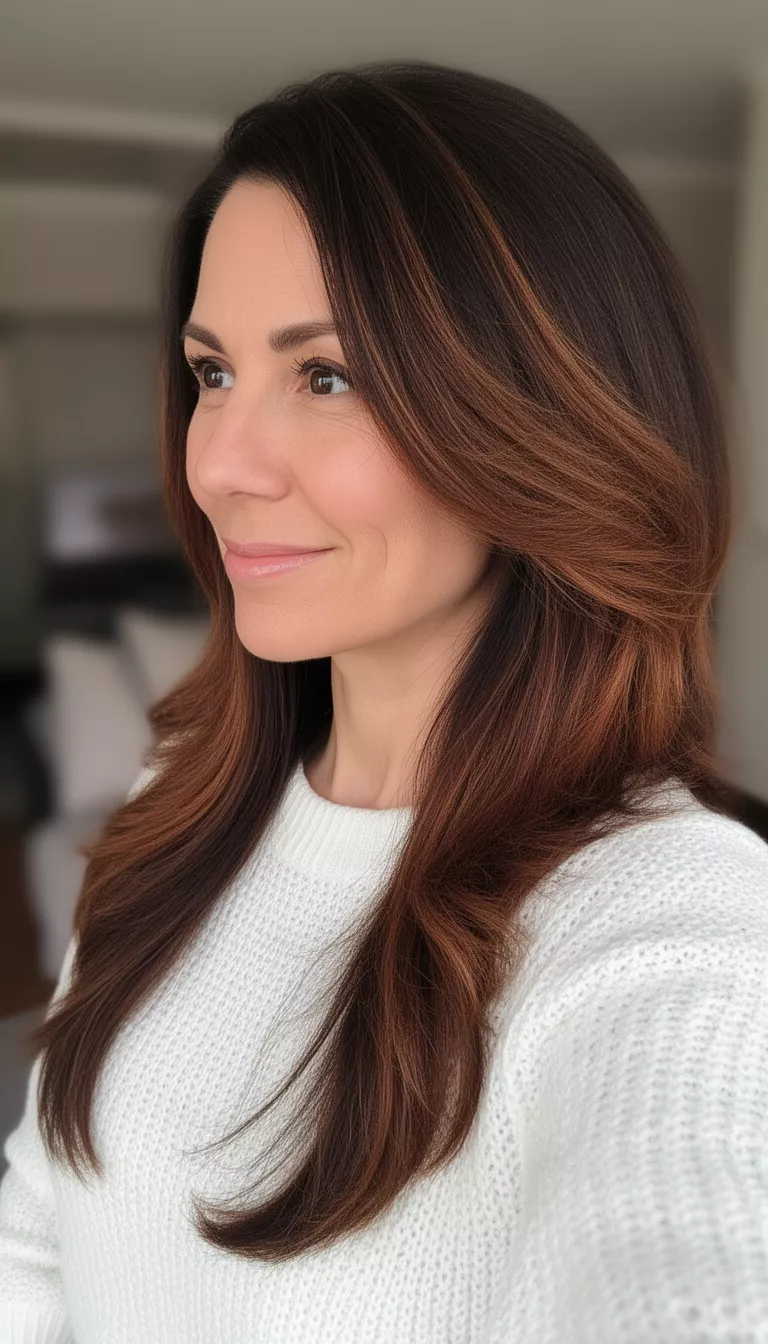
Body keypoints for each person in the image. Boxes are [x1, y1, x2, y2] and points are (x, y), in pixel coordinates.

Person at [2, 58, 767, 1344]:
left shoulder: (666, 910)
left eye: (327, 377)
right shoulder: (173, 807)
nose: (219, 466)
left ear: (535, 422)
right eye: (213, 372)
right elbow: (42, 1214)